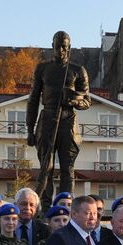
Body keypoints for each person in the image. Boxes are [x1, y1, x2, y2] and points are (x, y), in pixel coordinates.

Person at [26, 31, 91, 200]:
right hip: (47, 118)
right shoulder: (42, 68)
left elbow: (87, 101)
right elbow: (33, 99)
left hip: (68, 121)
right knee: (45, 167)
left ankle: (65, 206)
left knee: (67, 169)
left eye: (64, 46)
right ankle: (44, 208)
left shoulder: (78, 70)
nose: (61, 50)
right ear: (52, 45)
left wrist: (72, 101)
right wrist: (29, 129)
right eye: (58, 46)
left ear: (69, 47)